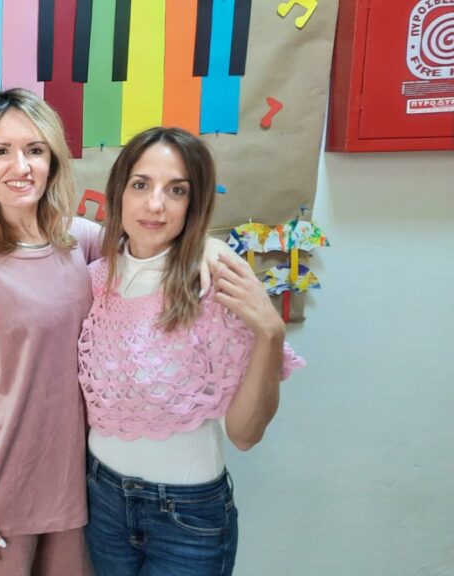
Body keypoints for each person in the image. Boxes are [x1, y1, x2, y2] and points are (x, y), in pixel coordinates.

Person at [77, 127, 305, 576]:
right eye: (141, 184)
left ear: (193, 203)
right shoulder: (94, 279)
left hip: (186, 517)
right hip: (102, 502)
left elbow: (245, 435)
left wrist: (270, 333)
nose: (155, 204)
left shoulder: (215, 284)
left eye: (176, 190)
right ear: (118, 191)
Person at [0, 88, 100, 575]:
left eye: (34, 150)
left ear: (53, 160)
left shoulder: (83, 242)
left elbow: (160, 249)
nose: (20, 166)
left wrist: (212, 251)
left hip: (79, 488)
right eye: (2, 151)